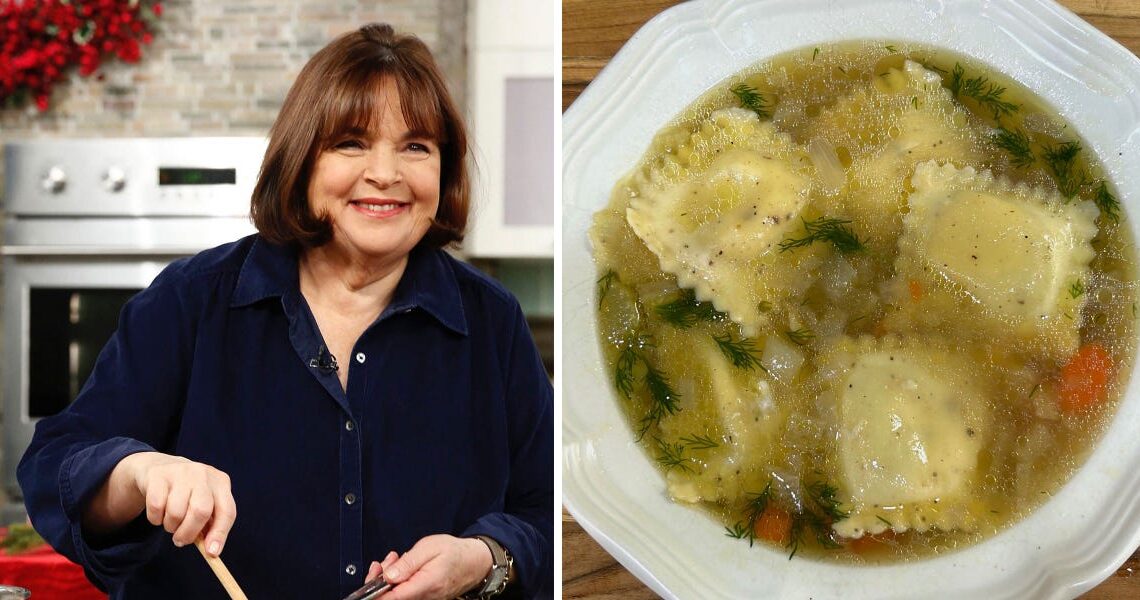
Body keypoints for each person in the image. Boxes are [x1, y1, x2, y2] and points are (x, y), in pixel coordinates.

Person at [17, 23, 553, 600]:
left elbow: (546, 510)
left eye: (416, 146)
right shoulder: (190, 300)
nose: (386, 173)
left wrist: (483, 558)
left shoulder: (492, 320)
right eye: (351, 143)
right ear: (301, 158)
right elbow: (55, 466)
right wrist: (139, 472)